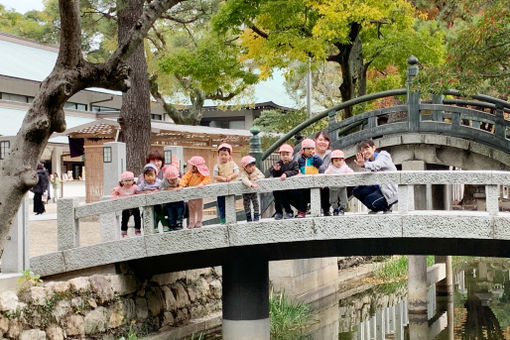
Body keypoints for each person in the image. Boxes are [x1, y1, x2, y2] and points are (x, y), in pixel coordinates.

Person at [352, 139, 398, 213]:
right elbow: (366, 179)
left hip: (388, 191)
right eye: (362, 150)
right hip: (377, 188)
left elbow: (377, 165)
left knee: (369, 200)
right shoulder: (367, 162)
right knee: (356, 191)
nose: (365, 152)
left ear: (373, 148)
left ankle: (387, 207)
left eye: (367, 148)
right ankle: (375, 207)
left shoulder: (383, 155)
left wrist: (364, 165)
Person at [269, 144, 300, 220]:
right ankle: (278, 212)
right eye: (283, 155)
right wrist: (275, 170)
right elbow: (272, 172)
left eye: (287, 154)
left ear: (291, 154)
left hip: (289, 186)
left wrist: (286, 174)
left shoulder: (294, 163)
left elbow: (295, 171)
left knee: (285, 199)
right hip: (278, 186)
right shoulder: (279, 163)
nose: (285, 156)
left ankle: (289, 211)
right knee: (276, 199)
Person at [137, 163, 169, 232]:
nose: (150, 178)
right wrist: (144, 192)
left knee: (160, 212)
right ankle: (155, 227)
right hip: (148, 203)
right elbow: (138, 191)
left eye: (152, 175)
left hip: (157, 201)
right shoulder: (143, 183)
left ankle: (165, 225)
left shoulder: (158, 182)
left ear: (155, 175)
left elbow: (164, 188)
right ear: (144, 176)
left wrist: (157, 190)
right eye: (148, 175)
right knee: (151, 214)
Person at [180, 156, 210, 228]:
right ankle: (191, 222)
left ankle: (199, 221)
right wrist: (182, 185)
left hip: (199, 194)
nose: (191, 167)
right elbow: (184, 179)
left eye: (193, 166)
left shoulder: (202, 174)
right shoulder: (189, 173)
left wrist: (202, 183)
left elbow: (207, 179)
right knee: (191, 209)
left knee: (199, 208)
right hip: (191, 195)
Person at [213, 143, 239, 224]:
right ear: (218, 155)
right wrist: (222, 178)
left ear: (229, 155)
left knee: (231, 203)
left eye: (225, 154)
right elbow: (215, 176)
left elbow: (237, 172)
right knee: (221, 204)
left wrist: (231, 176)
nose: (223, 156)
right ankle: (223, 219)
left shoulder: (232, 164)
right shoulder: (217, 166)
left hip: (231, 186)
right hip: (221, 187)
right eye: (221, 155)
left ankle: (231, 218)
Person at [297, 138, 323, 218]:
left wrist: (315, 156)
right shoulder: (300, 159)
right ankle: (302, 211)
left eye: (312, 148)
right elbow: (297, 168)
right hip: (304, 181)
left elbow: (320, 163)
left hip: (314, 180)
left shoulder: (315, 158)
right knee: (302, 196)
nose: (310, 150)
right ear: (303, 150)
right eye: (308, 149)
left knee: (317, 194)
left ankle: (319, 209)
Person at [111, 171, 141, 237]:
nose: (128, 182)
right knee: (124, 219)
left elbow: (139, 192)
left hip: (134, 206)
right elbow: (114, 191)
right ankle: (124, 231)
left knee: (137, 218)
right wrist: (115, 198)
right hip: (125, 207)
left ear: (133, 181)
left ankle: (137, 229)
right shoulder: (120, 188)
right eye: (126, 181)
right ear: (122, 181)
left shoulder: (135, 187)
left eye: (129, 180)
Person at [325, 150, 353, 215]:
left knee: (344, 198)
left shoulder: (345, 168)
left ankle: (342, 208)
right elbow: (325, 175)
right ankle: (335, 209)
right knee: (333, 199)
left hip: (342, 186)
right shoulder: (330, 169)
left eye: (340, 160)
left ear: (343, 161)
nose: (338, 162)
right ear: (332, 161)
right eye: (336, 161)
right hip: (333, 187)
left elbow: (351, 172)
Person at [239, 155, 265, 222]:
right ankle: (248, 217)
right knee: (246, 204)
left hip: (253, 191)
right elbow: (244, 180)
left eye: (253, 165)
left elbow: (262, 175)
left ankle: (256, 216)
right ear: (245, 167)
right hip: (246, 191)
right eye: (250, 166)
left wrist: (257, 178)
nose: (252, 168)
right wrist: (251, 184)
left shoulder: (256, 170)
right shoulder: (243, 173)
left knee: (255, 203)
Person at [161, 165, 185, 231]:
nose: (174, 181)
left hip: (178, 201)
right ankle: (171, 224)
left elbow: (184, 185)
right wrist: (167, 189)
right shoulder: (164, 182)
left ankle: (179, 223)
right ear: (167, 178)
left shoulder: (179, 180)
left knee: (180, 212)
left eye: (175, 179)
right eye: (171, 180)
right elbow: (159, 189)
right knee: (170, 214)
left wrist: (179, 187)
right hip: (169, 202)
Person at [314, 131, 333, 216]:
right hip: (311, 183)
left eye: (325, 140)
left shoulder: (332, 155)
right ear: (315, 141)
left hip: (326, 185)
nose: (323, 142)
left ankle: (327, 210)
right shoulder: (308, 153)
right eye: (320, 140)